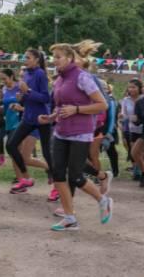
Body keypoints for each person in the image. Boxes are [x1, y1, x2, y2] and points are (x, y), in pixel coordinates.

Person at [40, 41, 112, 231]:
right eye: (53, 57)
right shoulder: (59, 79)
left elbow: (102, 105)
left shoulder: (82, 77)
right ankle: (70, 217)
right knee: (57, 174)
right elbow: (61, 105)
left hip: (81, 133)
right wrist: (51, 116)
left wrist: (77, 109)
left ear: (70, 58)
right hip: (61, 132)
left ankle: (103, 200)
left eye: (58, 57)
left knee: (75, 177)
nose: (54, 61)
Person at [6, 49, 54, 197]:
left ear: (37, 60)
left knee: (47, 153)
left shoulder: (40, 74)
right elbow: (27, 96)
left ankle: (57, 185)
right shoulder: (26, 73)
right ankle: (26, 178)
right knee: (11, 145)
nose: (25, 59)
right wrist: (20, 98)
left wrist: (27, 91)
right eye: (24, 57)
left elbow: (46, 98)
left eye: (28, 57)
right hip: (28, 118)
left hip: (42, 119)